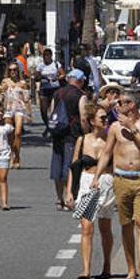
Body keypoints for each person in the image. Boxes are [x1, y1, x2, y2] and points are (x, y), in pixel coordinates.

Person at [90, 86, 140, 279]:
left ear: (132, 105)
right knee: (126, 225)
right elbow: (107, 153)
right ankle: (131, 269)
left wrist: (132, 128)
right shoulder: (114, 128)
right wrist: (97, 175)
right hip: (121, 179)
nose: (117, 106)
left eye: (120, 102)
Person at [66, 104, 116, 279]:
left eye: (107, 117)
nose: (106, 120)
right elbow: (74, 166)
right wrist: (69, 191)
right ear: (92, 121)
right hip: (87, 182)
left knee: (105, 227)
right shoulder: (82, 140)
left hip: (106, 181)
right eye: (102, 118)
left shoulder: (111, 139)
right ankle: (86, 269)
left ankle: (107, 265)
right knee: (87, 227)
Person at [51, 70, 90, 211]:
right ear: (80, 80)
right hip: (72, 134)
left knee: (57, 165)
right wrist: (86, 133)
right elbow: (84, 117)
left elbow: (52, 113)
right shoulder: (80, 95)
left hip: (57, 133)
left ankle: (59, 199)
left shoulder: (57, 93)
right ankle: (69, 197)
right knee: (70, 165)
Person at [0, 62, 31, 168]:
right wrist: (0, 95)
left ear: (18, 71)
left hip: (19, 108)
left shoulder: (23, 83)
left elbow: (26, 99)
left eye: (15, 70)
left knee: (18, 132)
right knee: (9, 133)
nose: (13, 72)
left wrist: (29, 113)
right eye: (10, 70)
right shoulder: (5, 81)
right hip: (8, 109)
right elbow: (1, 94)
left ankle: (18, 156)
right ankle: (12, 155)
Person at [35, 47, 64, 137]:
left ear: (51, 56)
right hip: (44, 89)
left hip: (55, 89)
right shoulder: (40, 65)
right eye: (44, 56)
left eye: (48, 55)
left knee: (53, 111)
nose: (46, 57)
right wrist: (42, 77)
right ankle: (48, 127)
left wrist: (56, 78)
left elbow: (63, 74)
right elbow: (36, 76)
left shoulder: (56, 64)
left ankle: (50, 129)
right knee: (43, 111)